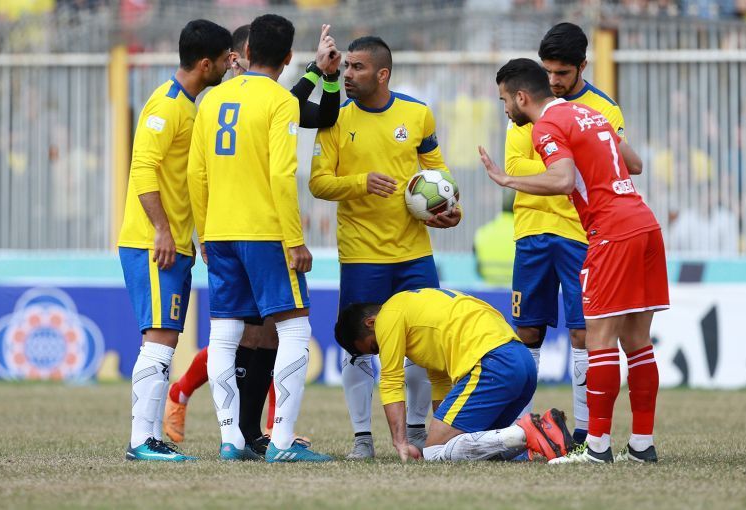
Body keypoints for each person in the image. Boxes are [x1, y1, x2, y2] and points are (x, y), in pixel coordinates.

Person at [163, 22, 341, 458]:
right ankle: (281, 441)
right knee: (295, 329)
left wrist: (205, 233)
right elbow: (282, 174)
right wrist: (295, 240)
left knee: (225, 335)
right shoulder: (280, 101)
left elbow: (195, 173)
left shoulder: (211, 99)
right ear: (288, 58)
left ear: (245, 49)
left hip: (220, 233)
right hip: (265, 234)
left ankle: (231, 440)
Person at [480, 58, 669, 464]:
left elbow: (563, 179)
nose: (505, 109)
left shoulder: (546, 125)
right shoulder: (589, 112)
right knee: (637, 343)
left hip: (611, 232)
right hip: (645, 224)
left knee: (599, 342)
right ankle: (641, 445)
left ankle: (596, 448)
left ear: (521, 97)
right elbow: (634, 164)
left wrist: (507, 180)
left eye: (504, 100)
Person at [309, 36, 462, 459]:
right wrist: (361, 182)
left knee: (423, 346)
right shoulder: (334, 117)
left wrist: (453, 211)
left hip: (414, 253)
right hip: (362, 254)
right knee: (358, 348)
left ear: (382, 74)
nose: (347, 74)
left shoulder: (417, 114)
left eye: (357, 67)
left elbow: (439, 175)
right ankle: (363, 439)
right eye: (346, 67)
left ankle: (416, 433)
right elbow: (318, 183)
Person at [503, 23, 643, 445]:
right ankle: (522, 432)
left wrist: (559, 166)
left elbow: (618, 165)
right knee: (527, 332)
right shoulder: (527, 100)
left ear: (583, 66)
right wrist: (572, 161)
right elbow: (516, 166)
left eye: (561, 73)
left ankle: (583, 432)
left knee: (583, 333)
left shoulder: (603, 109)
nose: (553, 81)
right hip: (531, 230)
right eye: (547, 71)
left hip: (582, 234)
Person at [118, 19, 232, 462]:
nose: (228, 66)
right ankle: (140, 441)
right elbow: (142, 167)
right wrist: (163, 230)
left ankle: (148, 437)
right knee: (160, 339)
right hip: (154, 243)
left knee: (163, 339)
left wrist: (195, 234)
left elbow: (185, 181)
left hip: (175, 242)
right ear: (205, 64)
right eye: (223, 60)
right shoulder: (166, 105)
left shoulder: (189, 106)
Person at [334, 288, 574, 462]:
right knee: (480, 447)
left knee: (434, 452)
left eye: (375, 346)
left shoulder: (388, 315)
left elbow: (391, 380)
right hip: (521, 361)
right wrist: (445, 429)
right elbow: (440, 381)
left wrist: (401, 442)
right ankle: (544, 438)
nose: (381, 351)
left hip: (493, 363)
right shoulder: (417, 308)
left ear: (371, 323)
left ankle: (528, 431)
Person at [473, 189, 515, 287]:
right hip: (517, 290)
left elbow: (477, 267)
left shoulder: (483, 231)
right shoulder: (523, 233)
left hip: (488, 288)